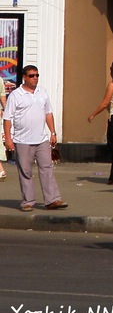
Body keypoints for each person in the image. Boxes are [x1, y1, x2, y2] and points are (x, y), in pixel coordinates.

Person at [2, 65, 67, 211]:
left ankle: (52, 200)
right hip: (22, 140)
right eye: (31, 76)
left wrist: (53, 133)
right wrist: (8, 139)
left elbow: (48, 113)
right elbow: (7, 119)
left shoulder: (42, 92)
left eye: (37, 75)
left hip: (41, 139)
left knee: (47, 168)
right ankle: (27, 201)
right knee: (25, 172)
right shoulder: (15, 95)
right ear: (24, 77)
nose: (35, 78)